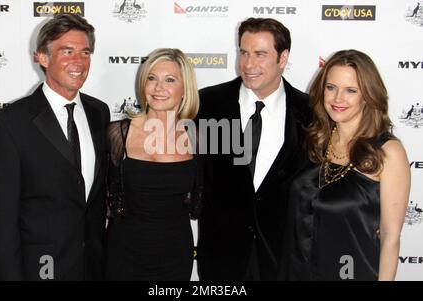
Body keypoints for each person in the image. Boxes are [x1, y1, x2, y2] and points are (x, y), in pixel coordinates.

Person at [0, 14, 110, 280]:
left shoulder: (99, 112)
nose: (78, 62)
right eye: (67, 51)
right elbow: (1, 220)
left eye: (85, 52)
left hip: (93, 268)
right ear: (42, 57)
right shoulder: (9, 124)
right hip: (40, 269)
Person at [197, 17, 310, 280]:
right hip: (222, 259)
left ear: (283, 58)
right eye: (244, 53)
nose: (248, 64)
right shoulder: (207, 104)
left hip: (284, 259)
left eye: (260, 54)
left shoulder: (310, 113)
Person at [282, 49, 410, 281]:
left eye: (351, 90)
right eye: (331, 88)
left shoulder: (387, 152)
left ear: (368, 95)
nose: (338, 98)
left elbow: (390, 237)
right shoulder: (314, 140)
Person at [105, 48, 202, 280]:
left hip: (175, 254)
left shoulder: (197, 138)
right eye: (152, 78)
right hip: (123, 253)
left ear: (184, 89)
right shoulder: (118, 133)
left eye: (170, 80)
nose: (159, 88)